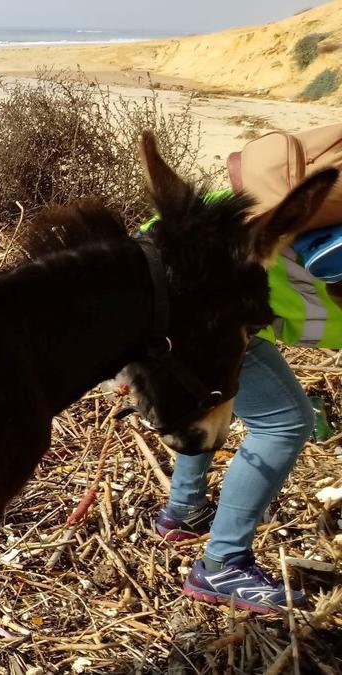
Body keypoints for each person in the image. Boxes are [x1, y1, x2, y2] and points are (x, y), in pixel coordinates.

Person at [154, 233, 338, 613]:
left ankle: (185, 510)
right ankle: (222, 565)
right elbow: (328, 263)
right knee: (283, 421)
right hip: (196, 299)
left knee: (215, 398)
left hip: (174, 283)